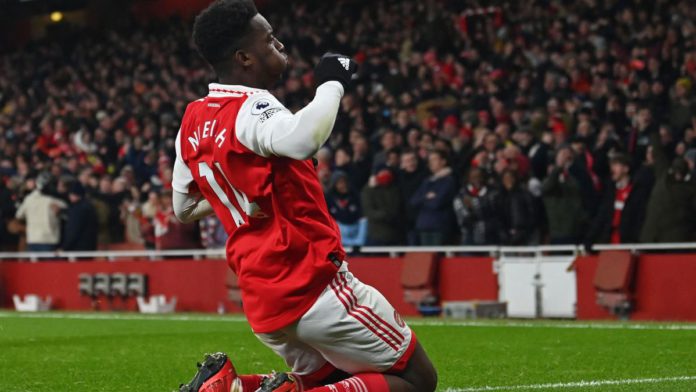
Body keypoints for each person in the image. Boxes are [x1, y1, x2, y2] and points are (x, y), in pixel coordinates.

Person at [172, 2, 437, 392]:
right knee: (418, 380)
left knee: (330, 381)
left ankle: (231, 385)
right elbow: (303, 138)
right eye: (268, 40)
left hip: (263, 300)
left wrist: (242, 188)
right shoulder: (252, 107)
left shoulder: (192, 118)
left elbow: (183, 207)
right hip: (312, 281)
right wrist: (332, 80)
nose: (279, 45)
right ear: (244, 58)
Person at [585, 154, 652, 246]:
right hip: (609, 243)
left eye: (616, 165)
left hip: (628, 244)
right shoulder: (610, 193)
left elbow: (639, 218)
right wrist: (590, 239)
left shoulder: (636, 192)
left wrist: (637, 242)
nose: (612, 169)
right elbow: (601, 217)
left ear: (626, 169)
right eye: (611, 165)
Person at [409, 150, 457, 245]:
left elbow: (436, 203)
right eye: (430, 160)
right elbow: (413, 201)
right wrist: (426, 197)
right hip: (423, 225)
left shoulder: (448, 181)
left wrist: (422, 200)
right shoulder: (427, 181)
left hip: (439, 225)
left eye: (434, 159)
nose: (431, 163)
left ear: (443, 161)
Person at [15, 174, 67, 252]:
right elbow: (67, 211)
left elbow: (19, 215)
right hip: (49, 239)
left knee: (35, 263)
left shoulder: (29, 199)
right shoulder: (54, 200)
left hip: (33, 239)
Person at [361, 169, 403, 245]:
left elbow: (397, 208)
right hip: (376, 233)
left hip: (394, 233)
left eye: (387, 172)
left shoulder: (395, 189)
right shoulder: (369, 189)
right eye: (382, 172)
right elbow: (368, 211)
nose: (385, 175)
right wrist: (385, 215)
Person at [325, 171, 366, 247]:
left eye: (344, 182)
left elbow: (362, 216)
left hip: (355, 229)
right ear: (334, 184)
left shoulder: (355, 195)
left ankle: (357, 243)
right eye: (340, 183)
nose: (343, 185)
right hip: (338, 231)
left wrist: (359, 240)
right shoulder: (329, 197)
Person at [61, 182, 98, 251]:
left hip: (77, 249)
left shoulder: (77, 209)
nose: (69, 196)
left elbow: (73, 230)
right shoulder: (88, 207)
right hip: (89, 247)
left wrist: (64, 247)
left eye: (71, 194)